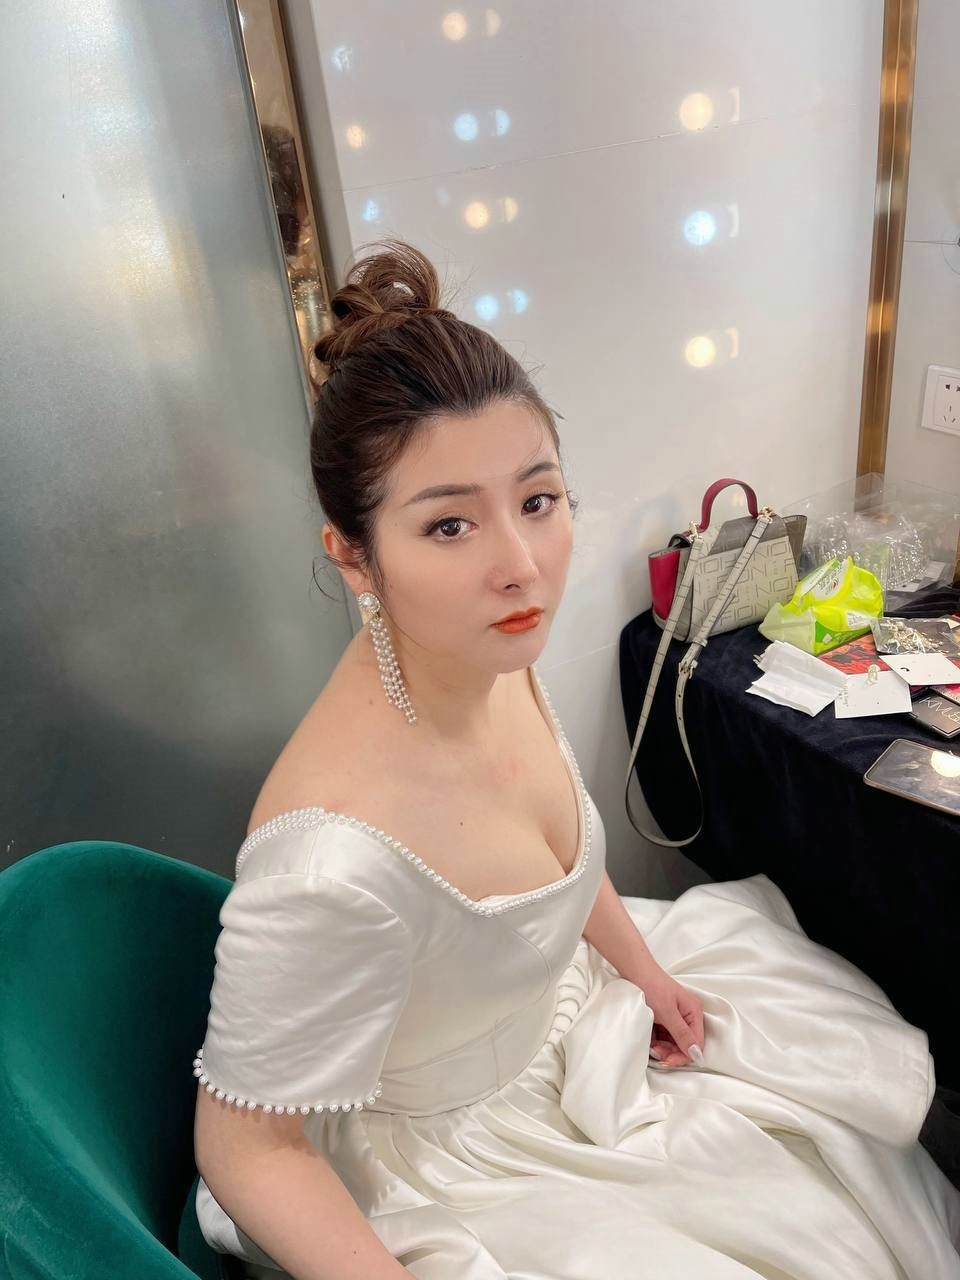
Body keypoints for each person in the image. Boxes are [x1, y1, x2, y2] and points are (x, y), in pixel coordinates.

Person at [192, 240, 960, 1280]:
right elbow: (243, 1146)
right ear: (354, 556)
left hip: (562, 1020)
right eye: (449, 524)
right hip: (451, 1160)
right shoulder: (327, 862)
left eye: (538, 500)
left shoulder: (486, 655)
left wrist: (641, 968)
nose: (521, 566)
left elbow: (555, 858)